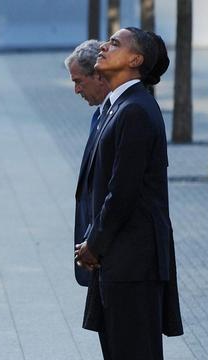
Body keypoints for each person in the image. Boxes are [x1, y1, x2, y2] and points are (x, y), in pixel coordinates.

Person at [74, 27, 183, 359]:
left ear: (136, 60)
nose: (105, 46)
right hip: (118, 260)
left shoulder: (135, 109)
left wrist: (94, 244)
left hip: (133, 262)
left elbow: (122, 192)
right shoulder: (115, 106)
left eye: (116, 43)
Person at [64, 40, 111, 287]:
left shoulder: (123, 113)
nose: (76, 90)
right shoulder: (100, 114)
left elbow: (118, 192)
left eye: (78, 81)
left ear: (98, 75)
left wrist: (94, 243)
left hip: (107, 251)